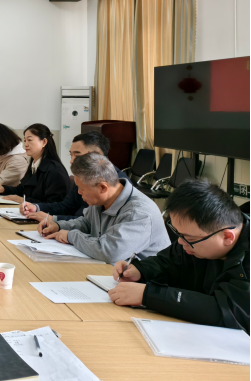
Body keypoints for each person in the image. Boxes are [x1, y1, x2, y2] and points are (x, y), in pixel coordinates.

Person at [109, 179, 249, 332]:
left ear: (227, 237)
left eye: (189, 238)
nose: (181, 242)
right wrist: (140, 271)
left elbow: (229, 311)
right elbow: (166, 263)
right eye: (178, 233)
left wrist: (149, 295)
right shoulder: (194, 241)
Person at [40, 153, 170, 264]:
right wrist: (59, 226)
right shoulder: (101, 200)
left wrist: (70, 236)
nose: (79, 192)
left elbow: (110, 251)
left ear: (103, 187)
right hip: (111, 271)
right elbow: (87, 223)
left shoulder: (139, 212)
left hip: (143, 281)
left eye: (82, 188)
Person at [22, 131, 128, 222]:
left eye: (77, 155)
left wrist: (53, 219)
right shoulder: (82, 176)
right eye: (71, 155)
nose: (72, 161)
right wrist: (37, 207)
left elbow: (90, 223)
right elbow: (66, 206)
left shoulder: (115, 182)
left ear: (97, 155)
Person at [0, 124, 69, 205]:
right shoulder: (34, 164)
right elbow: (22, 190)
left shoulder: (54, 170)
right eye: (25, 140)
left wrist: (24, 200)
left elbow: (54, 204)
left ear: (44, 142)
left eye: (29, 140)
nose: (26, 144)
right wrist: (3, 189)